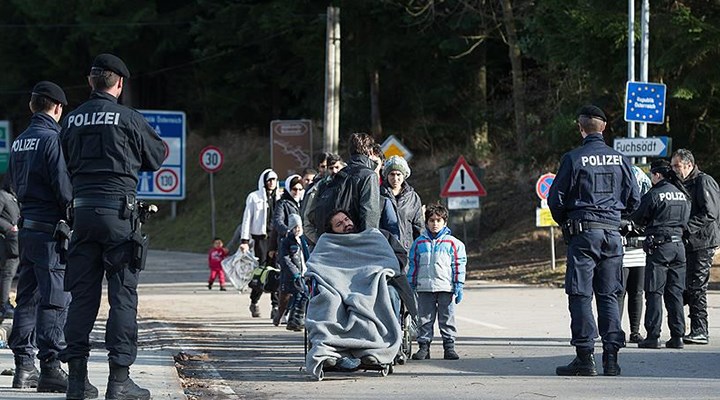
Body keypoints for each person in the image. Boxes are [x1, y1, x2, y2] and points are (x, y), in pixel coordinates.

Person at [59, 54, 165, 400]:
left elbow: (62, 165)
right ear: (119, 84)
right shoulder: (128, 118)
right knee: (122, 298)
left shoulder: (71, 120)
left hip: (82, 217)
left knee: (81, 299)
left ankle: (76, 383)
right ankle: (119, 382)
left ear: (91, 81)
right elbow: (157, 155)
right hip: (119, 217)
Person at [548, 105, 640, 377]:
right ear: (604, 127)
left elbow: (556, 199)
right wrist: (615, 216)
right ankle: (611, 359)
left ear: (581, 128)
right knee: (610, 294)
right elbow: (635, 199)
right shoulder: (621, 159)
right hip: (612, 234)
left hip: (584, 234)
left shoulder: (574, 158)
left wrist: (566, 222)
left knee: (580, 294)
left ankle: (585, 358)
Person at [4, 81, 74, 394]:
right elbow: (63, 188)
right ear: (57, 107)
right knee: (54, 298)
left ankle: (23, 367)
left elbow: (12, 184)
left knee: (27, 297)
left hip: (26, 227)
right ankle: (52, 367)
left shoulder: (19, 141)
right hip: (48, 229)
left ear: (33, 106)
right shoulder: (52, 139)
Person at [630, 159, 691, 349]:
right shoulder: (683, 193)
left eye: (652, 175)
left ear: (657, 175)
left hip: (659, 247)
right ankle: (677, 336)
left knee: (654, 292)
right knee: (675, 293)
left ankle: (653, 336)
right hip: (679, 247)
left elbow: (638, 217)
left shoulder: (655, 193)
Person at [671, 149, 720, 345]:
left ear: (689, 165)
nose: (674, 170)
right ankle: (686, 325)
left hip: (703, 241)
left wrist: (685, 228)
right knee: (685, 286)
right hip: (689, 241)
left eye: (677, 166)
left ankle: (700, 329)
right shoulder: (681, 183)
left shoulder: (703, 181)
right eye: (672, 166)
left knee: (697, 286)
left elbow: (710, 213)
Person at [407, 203, 466, 361]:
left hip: (445, 287)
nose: (435, 224)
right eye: (432, 220)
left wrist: (458, 285)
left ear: (445, 222)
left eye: (438, 220)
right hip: (424, 288)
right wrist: (410, 284)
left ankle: (449, 347)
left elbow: (459, 265)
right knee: (424, 319)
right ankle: (424, 347)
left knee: (446, 317)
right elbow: (413, 264)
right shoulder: (419, 243)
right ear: (426, 222)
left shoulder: (453, 243)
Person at [238, 169, 281, 318]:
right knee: (262, 270)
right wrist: (244, 240)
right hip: (260, 239)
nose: (271, 183)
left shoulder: (280, 197)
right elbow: (247, 218)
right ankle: (254, 300)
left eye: (274, 180)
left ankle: (275, 305)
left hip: (275, 238)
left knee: (276, 271)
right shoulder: (254, 197)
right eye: (269, 180)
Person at [620, 165, 652, 343]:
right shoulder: (618, 201)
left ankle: (634, 331)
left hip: (640, 252)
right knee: (619, 292)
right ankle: (616, 331)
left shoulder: (647, 201)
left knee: (637, 292)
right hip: (622, 251)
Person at [381, 156, 424, 252]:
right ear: (386, 175)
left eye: (398, 174)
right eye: (392, 174)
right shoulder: (379, 194)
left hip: (407, 251)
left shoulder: (412, 197)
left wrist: (420, 250)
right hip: (385, 249)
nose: (395, 178)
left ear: (404, 176)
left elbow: (419, 225)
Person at [276, 214, 309, 330]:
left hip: (303, 272)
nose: (297, 230)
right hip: (292, 275)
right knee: (302, 294)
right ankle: (296, 320)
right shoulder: (286, 241)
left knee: (300, 296)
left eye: (299, 227)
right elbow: (285, 259)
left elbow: (306, 256)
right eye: (295, 227)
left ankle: (293, 321)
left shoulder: (302, 240)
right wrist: (294, 272)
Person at [301, 153, 343, 247]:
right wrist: (320, 241)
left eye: (337, 167)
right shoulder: (319, 188)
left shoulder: (349, 184)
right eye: (331, 168)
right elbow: (307, 218)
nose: (335, 171)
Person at [0, 184, 19, 324]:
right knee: (7, 273)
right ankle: (3, 304)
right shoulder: (3, 196)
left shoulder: (14, 197)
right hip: (8, 242)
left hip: (17, 242)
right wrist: (9, 228)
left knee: (10, 274)